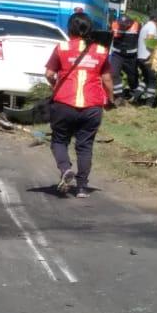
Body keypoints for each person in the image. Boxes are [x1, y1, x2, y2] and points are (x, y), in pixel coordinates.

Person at [44, 11, 114, 199]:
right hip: (92, 106)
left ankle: (66, 169)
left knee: (59, 140)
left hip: (64, 103)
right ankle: (82, 187)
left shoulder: (62, 48)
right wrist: (111, 99)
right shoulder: (101, 51)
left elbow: (49, 74)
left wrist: (56, 87)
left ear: (70, 28)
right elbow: (107, 79)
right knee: (85, 146)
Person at [109, 13, 139, 103]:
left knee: (132, 77)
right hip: (117, 54)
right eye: (121, 24)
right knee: (114, 73)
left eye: (124, 24)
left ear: (130, 22)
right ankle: (119, 96)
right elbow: (109, 37)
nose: (122, 26)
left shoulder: (137, 25)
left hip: (131, 56)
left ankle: (134, 91)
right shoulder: (114, 25)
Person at [136, 12, 157, 106]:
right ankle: (149, 102)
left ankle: (135, 95)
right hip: (147, 57)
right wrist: (156, 50)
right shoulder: (152, 27)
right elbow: (149, 39)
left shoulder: (145, 26)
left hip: (140, 57)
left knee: (146, 78)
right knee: (152, 80)